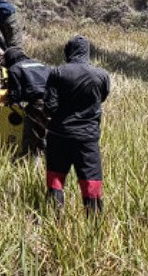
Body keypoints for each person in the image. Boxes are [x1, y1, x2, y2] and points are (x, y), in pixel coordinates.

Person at [44, 35, 111, 214]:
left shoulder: (58, 72)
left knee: (56, 179)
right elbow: (101, 99)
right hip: (87, 138)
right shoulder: (102, 75)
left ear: (69, 51)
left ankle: (54, 217)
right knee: (91, 182)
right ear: (87, 52)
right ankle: (94, 225)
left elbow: (49, 106)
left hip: (59, 135)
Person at [3, 46, 50, 158]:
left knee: (32, 138)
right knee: (51, 135)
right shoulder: (43, 65)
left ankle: (29, 164)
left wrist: (9, 101)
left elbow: (15, 95)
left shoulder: (14, 69)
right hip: (54, 103)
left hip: (37, 105)